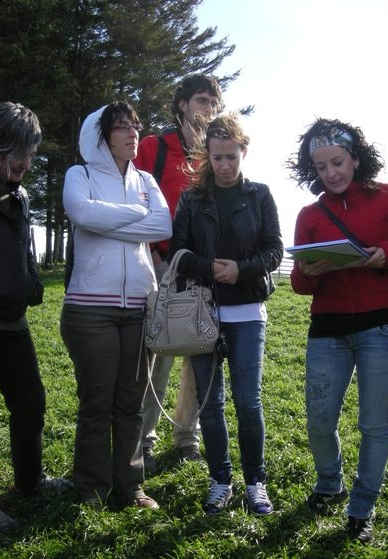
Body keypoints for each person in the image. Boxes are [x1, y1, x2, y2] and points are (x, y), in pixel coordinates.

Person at [289, 118, 388, 542]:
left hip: (384, 329)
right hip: (327, 330)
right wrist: (309, 272)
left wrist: (386, 253)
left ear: (356, 158)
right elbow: (299, 283)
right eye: (321, 166)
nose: (330, 173)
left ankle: (362, 508)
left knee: (373, 426)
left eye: (337, 162)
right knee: (319, 421)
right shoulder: (310, 215)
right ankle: (330, 483)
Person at [169, 113, 283, 516]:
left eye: (231, 156)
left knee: (248, 402)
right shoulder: (191, 198)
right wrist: (208, 268)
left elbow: (275, 250)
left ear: (244, 151)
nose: (225, 165)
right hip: (202, 312)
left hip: (248, 312)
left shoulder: (261, 195)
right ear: (207, 156)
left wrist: (243, 269)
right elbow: (177, 251)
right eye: (217, 158)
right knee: (210, 404)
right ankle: (220, 480)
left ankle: (255, 482)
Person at [61, 101, 172, 510]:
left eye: (135, 126)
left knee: (131, 402)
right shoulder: (81, 175)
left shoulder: (146, 179)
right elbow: (80, 212)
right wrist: (136, 216)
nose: (132, 133)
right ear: (101, 136)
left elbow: (163, 225)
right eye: (122, 127)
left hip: (139, 306)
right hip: (90, 309)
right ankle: (91, 488)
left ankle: (131, 487)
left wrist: (106, 221)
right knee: (97, 402)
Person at [0, 102, 71, 534]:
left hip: (11, 320)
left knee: (30, 400)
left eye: (32, 155)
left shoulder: (18, 193)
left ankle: (31, 482)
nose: (27, 164)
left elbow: (22, 250)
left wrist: (32, 282)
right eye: (20, 155)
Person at [134, 74, 222, 471]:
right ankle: (143, 439)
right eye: (202, 100)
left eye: (213, 103)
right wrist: (153, 253)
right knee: (160, 351)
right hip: (162, 265)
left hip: (204, 268)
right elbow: (134, 200)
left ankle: (187, 436)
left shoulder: (214, 154)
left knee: (200, 351)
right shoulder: (153, 147)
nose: (208, 109)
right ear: (182, 104)